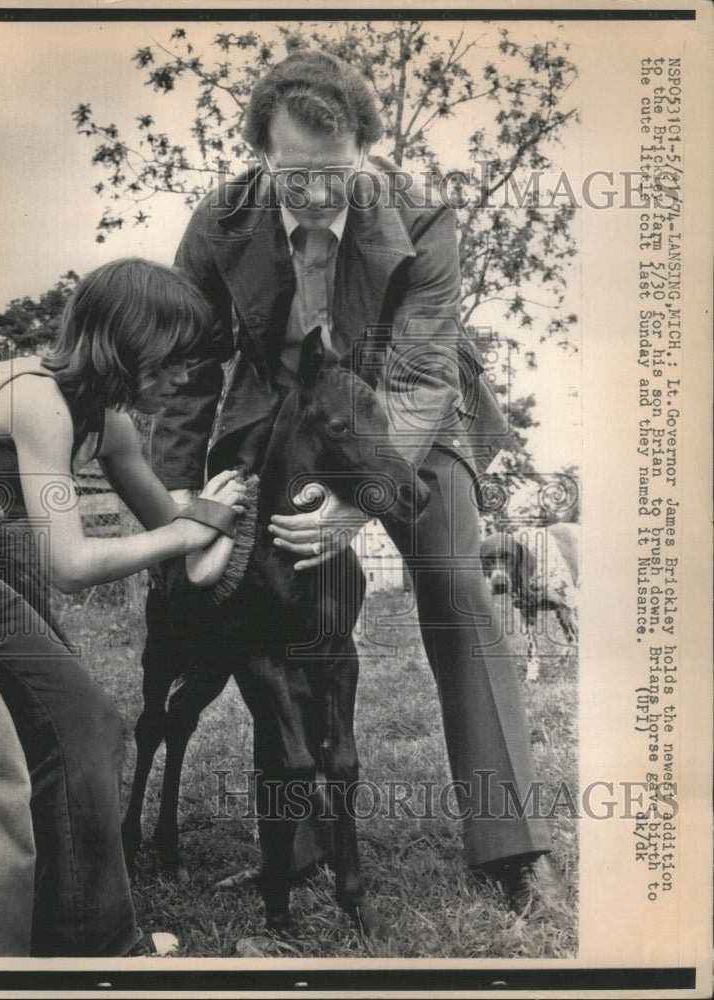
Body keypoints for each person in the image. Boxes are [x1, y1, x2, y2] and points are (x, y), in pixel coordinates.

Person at [148, 50, 569, 920]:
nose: (312, 195)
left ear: (364, 154)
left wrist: (364, 500)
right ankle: (294, 847)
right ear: (260, 154)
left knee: (455, 586)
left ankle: (508, 843)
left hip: (409, 418)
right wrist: (180, 508)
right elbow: (189, 373)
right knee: (274, 596)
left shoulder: (424, 215)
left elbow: (421, 379)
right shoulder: (216, 221)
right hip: (278, 417)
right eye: (290, 174)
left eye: (331, 175)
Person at [0, 257, 248, 956]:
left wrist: (217, 513)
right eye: (174, 362)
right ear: (126, 344)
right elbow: (72, 565)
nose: (185, 380)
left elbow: (172, 531)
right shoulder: (36, 398)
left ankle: (95, 946)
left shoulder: (109, 426)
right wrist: (188, 529)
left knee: (87, 726)